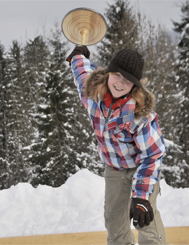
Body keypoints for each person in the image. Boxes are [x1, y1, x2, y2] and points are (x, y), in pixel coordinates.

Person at [67, 45, 167, 245]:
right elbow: (82, 72)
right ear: (108, 73)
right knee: (114, 221)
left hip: (142, 168)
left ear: (135, 86)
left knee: (145, 218)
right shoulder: (91, 92)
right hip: (114, 167)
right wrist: (78, 56)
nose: (121, 83)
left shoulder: (139, 115)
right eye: (118, 76)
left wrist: (141, 197)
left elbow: (152, 155)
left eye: (128, 80)